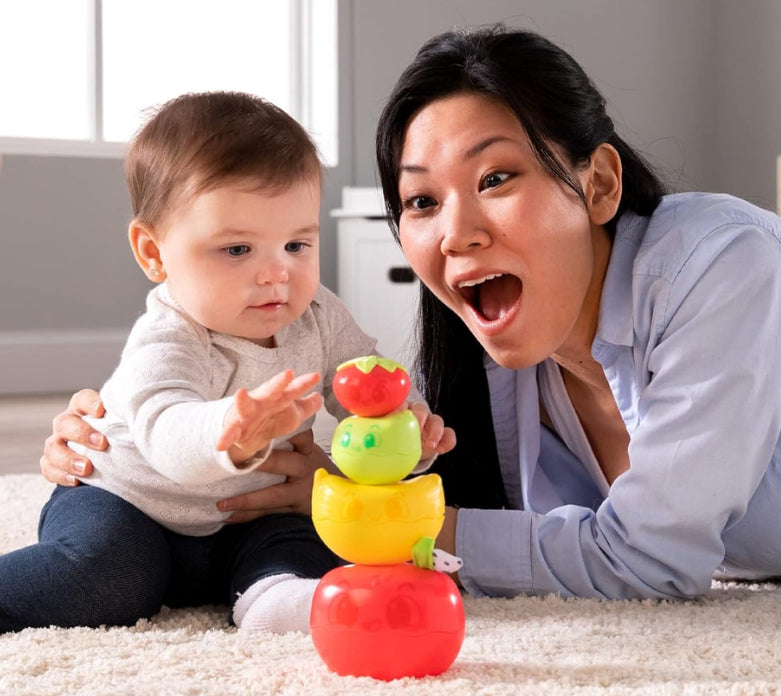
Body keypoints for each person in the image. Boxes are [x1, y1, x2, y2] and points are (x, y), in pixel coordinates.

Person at [42, 24, 781, 604]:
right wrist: (120, 442)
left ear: (599, 184)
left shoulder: (723, 265)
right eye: (421, 201)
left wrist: (356, 515)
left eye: (497, 176)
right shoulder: (506, 347)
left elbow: (650, 560)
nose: (454, 232)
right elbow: (440, 493)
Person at [1, 90, 453, 635]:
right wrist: (231, 434)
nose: (275, 273)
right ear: (153, 252)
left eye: (296, 245)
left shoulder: (317, 314)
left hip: (248, 513)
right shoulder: (169, 334)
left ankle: (279, 600)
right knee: (110, 575)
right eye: (237, 249)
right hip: (127, 504)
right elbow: (167, 432)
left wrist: (407, 427)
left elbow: (366, 380)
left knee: (305, 534)